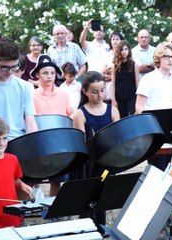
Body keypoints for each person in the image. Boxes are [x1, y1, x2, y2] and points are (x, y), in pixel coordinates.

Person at [72, 71, 119, 232]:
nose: (99, 95)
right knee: (86, 204)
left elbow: (118, 138)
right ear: (85, 92)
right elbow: (80, 145)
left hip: (106, 164)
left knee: (102, 202)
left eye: (102, 90)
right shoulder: (80, 113)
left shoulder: (112, 110)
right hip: (88, 167)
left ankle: (101, 231)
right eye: (94, 91)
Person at [30, 54, 73, 196]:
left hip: (57, 141)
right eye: (45, 73)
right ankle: (34, 201)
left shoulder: (63, 94)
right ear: (38, 75)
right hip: (39, 140)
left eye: (52, 73)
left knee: (56, 179)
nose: (49, 76)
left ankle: (53, 207)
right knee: (34, 177)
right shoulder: (31, 94)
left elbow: (69, 114)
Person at [135, 42, 172, 170]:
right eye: (166, 56)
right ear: (158, 58)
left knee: (168, 167)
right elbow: (139, 107)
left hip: (170, 129)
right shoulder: (148, 79)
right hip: (154, 129)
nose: (170, 59)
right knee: (156, 168)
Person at [0, 38, 38, 140]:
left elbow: (31, 123)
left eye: (14, 67)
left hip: (18, 142)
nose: (10, 72)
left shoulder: (25, 86)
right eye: (4, 67)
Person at [0, 117, 32, 229]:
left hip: (13, 217)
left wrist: (21, 184)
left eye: (4, 138)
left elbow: (14, 179)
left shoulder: (12, 159)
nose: (2, 143)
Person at [110, 40, 139, 118]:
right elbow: (113, 83)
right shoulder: (114, 66)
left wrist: (138, 98)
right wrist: (113, 99)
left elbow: (137, 82)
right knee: (122, 117)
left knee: (133, 116)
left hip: (132, 96)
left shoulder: (134, 65)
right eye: (122, 50)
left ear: (129, 50)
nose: (124, 52)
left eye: (126, 49)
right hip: (119, 96)